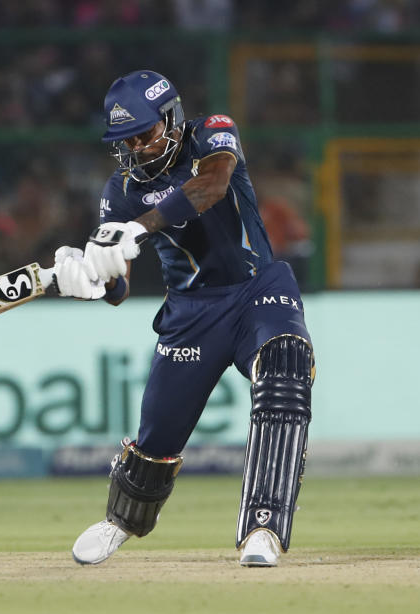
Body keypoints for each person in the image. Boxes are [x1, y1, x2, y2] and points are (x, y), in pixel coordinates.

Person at [52, 70, 314, 567]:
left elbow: (211, 186)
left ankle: (264, 526)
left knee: (285, 364)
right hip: (191, 313)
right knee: (157, 437)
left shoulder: (212, 133)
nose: (136, 148)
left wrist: (139, 226)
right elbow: (120, 288)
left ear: (171, 121)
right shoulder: (120, 189)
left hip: (257, 288)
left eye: (144, 133)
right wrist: (91, 278)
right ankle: (122, 521)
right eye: (124, 140)